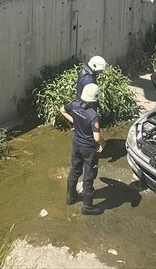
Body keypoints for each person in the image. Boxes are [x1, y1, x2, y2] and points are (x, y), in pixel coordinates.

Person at [59, 83, 105, 215]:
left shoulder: (75, 105)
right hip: (89, 148)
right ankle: (87, 207)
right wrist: (103, 143)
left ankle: (70, 197)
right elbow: (97, 137)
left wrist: (75, 121)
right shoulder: (93, 115)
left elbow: (62, 110)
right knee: (89, 175)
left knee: (75, 169)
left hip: (76, 144)